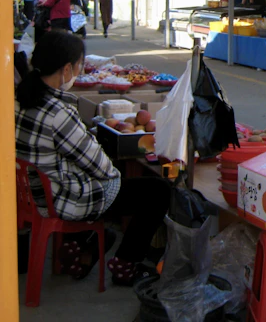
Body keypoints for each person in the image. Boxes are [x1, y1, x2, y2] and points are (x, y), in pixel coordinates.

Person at [15, 31, 170, 285]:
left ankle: (85, 242)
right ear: (66, 69)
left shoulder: (22, 100)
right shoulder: (58, 112)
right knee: (157, 190)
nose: (77, 72)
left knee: (104, 182)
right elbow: (102, 168)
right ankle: (125, 264)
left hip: (33, 194)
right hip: (59, 199)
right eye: (78, 66)